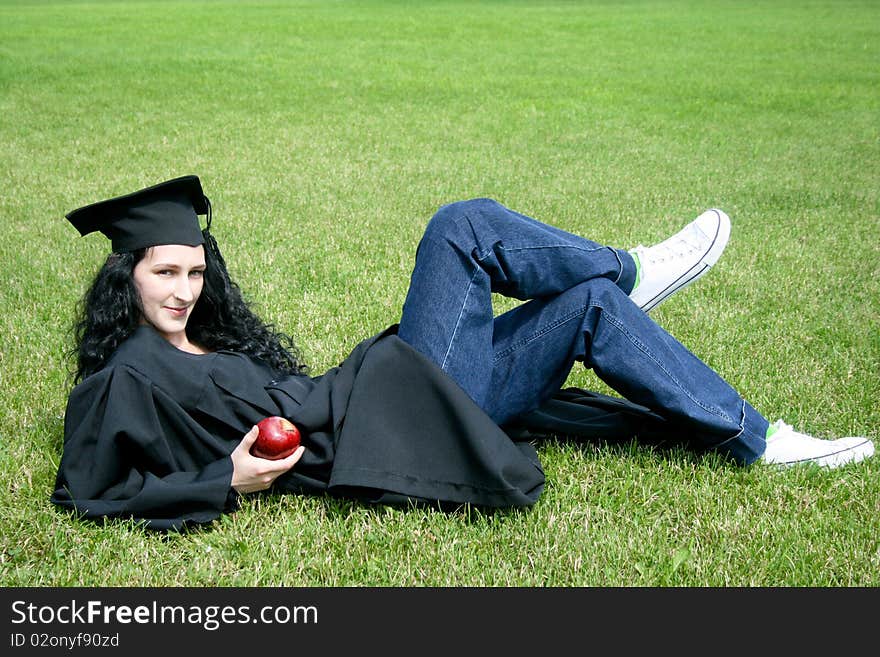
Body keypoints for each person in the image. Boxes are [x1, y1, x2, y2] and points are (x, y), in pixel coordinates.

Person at [51, 175, 875, 530]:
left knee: (585, 309)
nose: (185, 289)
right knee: (462, 225)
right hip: (380, 424)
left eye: (195, 270)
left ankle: (760, 440)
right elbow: (89, 492)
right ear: (128, 276)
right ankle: (633, 268)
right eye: (166, 271)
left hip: (389, 397)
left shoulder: (199, 337)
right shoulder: (125, 375)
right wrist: (222, 480)